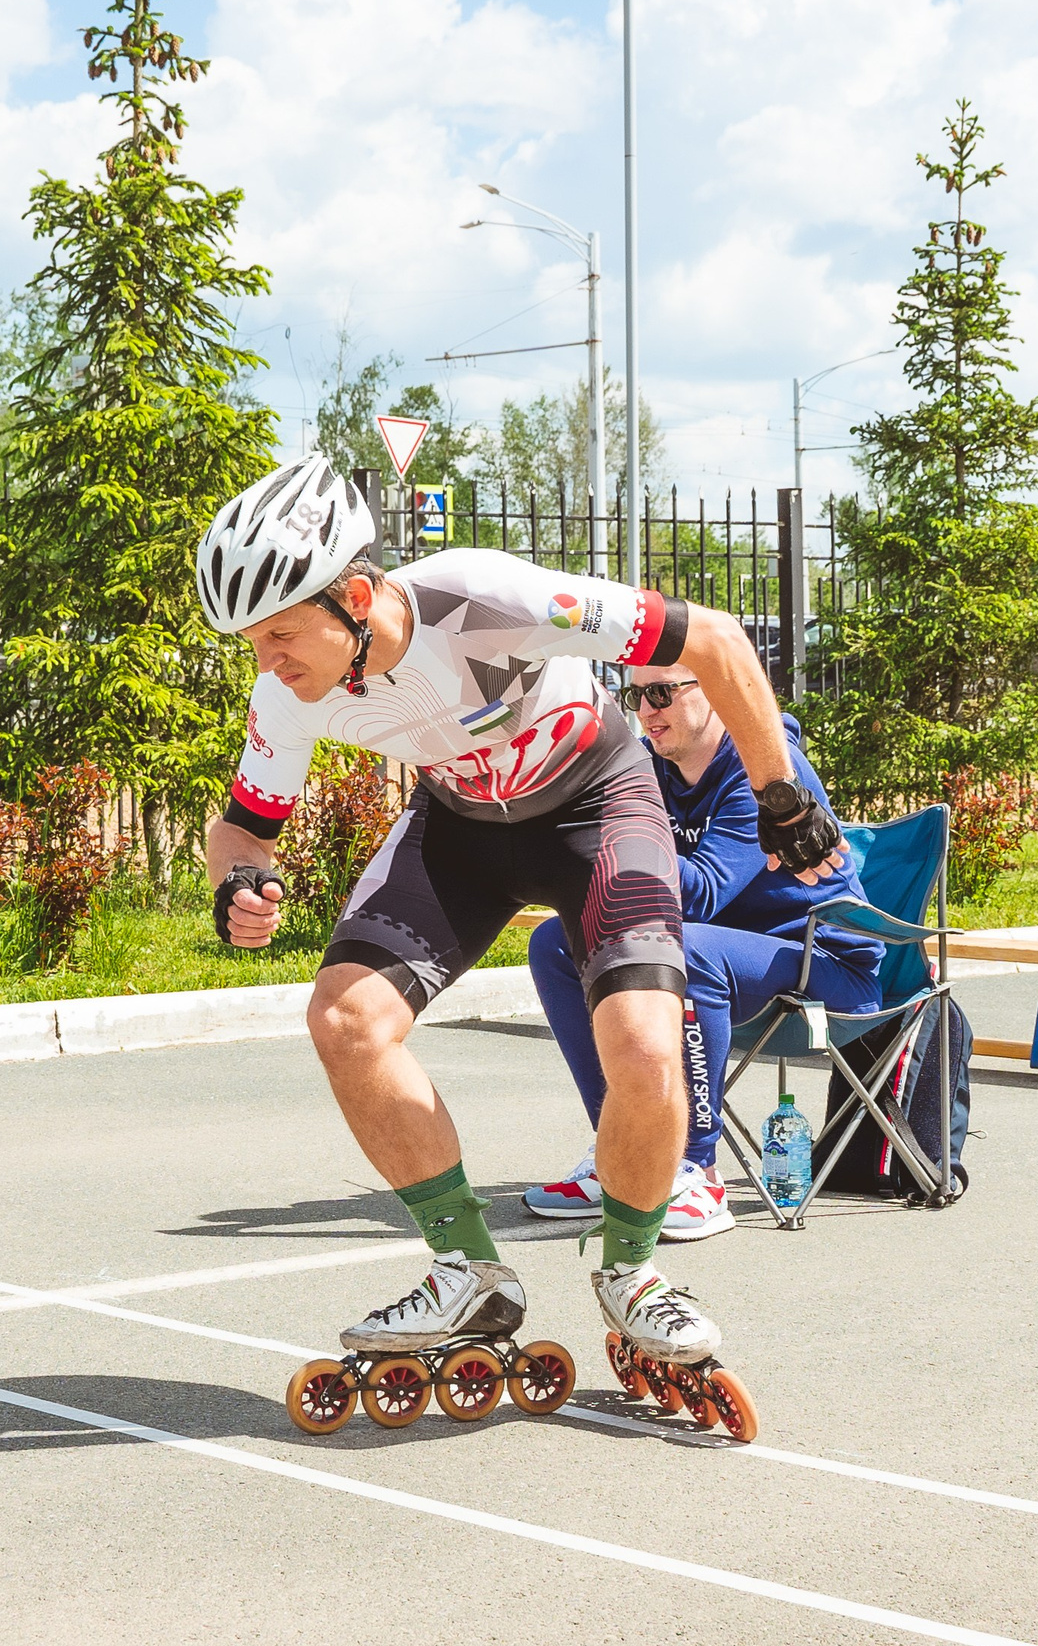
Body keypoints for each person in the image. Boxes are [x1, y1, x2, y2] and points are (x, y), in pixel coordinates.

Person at [198, 455, 847, 1370]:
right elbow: (242, 830)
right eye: (253, 644)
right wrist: (239, 880)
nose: (266, 663)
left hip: (593, 804)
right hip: (461, 826)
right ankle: (467, 1268)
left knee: (649, 1047)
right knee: (345, 1018)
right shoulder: (288, 695)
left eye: (277, 634)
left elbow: (717, 643)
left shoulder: (484, 599)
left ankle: (632, 1273)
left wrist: (780, 794)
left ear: (351, 594)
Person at [521, 663, 882, 1237]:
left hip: (824, 962)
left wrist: (586, 853)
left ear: (714, 692)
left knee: (686, 951)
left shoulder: (763, 771)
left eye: (661, 692)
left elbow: (705, 890)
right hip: (727, 954)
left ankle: (695, 1167)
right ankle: (624, 1151)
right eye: (636, 693)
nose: (645, 709)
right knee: (555, 943)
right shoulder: (646, 767)